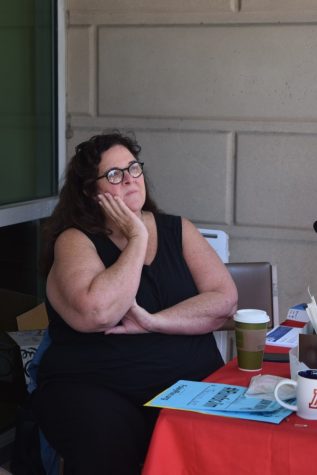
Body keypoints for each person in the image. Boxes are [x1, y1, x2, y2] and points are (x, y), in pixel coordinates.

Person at [31, 131, 238, 475]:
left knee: (225, 439)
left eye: (133, 168)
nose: (129, 178)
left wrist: (156, 322)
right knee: (105, 439)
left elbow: (224, 301)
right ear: (90, 192)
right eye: (114, 174)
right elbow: (97, 313)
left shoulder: (178, 229)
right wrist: (137, 238)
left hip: (188, 386)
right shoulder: (74, 241)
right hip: (98, 387)